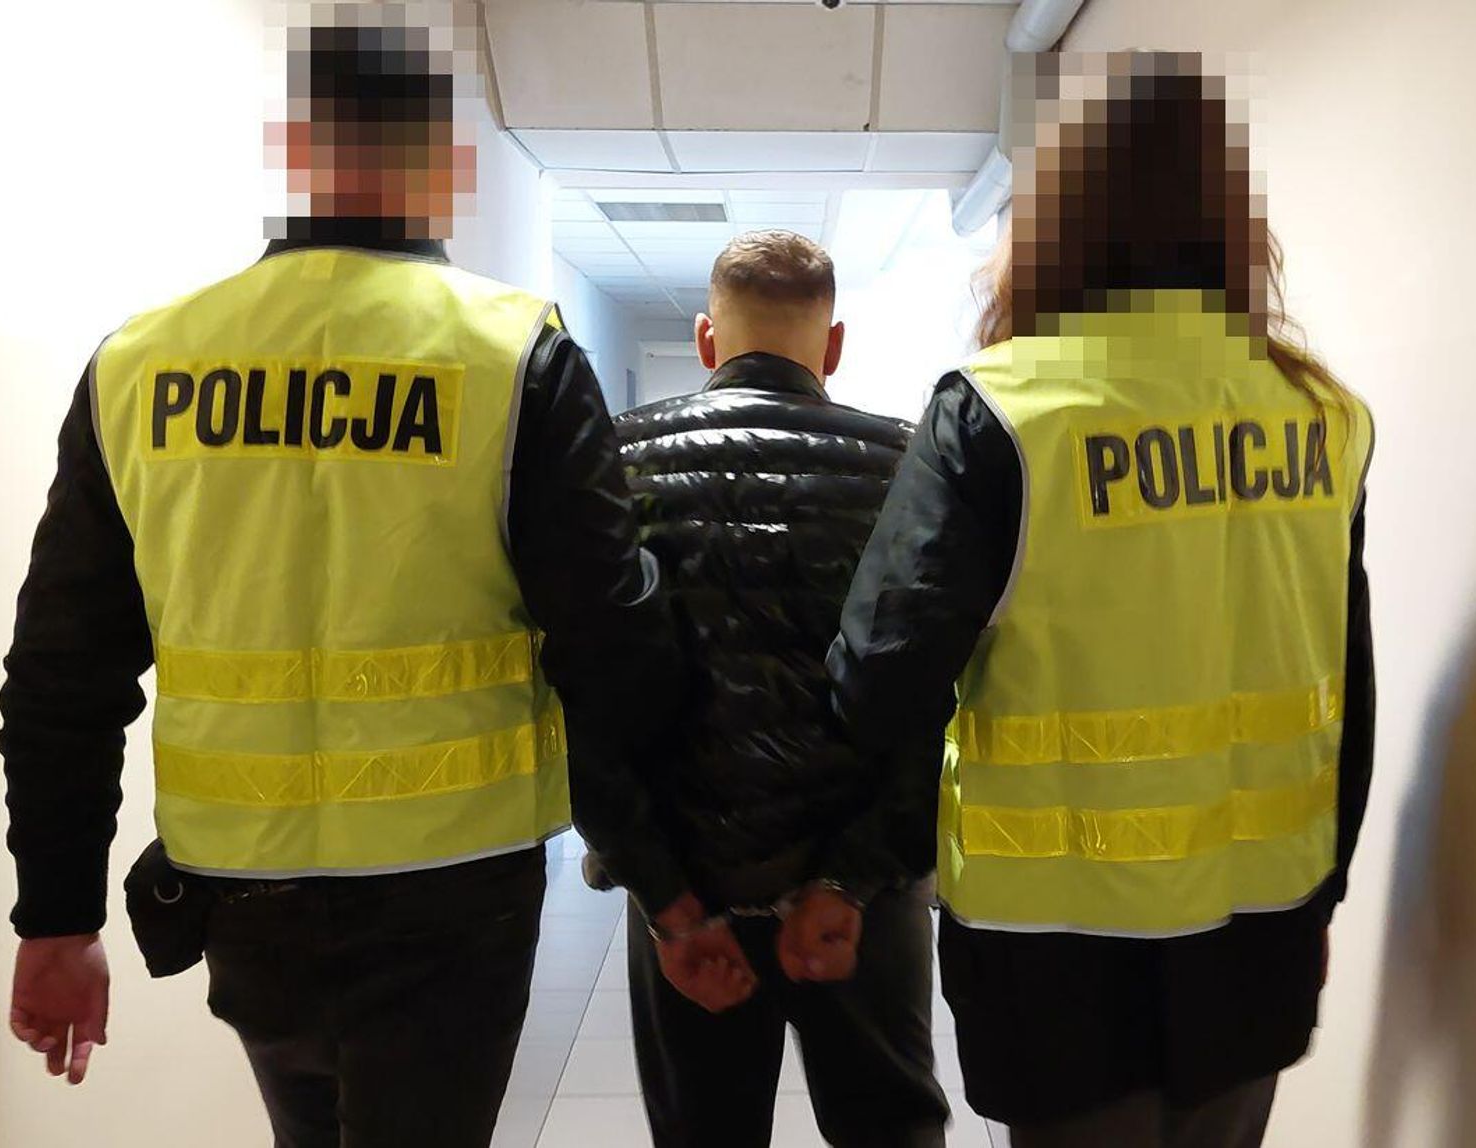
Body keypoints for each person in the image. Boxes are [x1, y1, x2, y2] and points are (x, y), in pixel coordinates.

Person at [0, 16, 682, 1148]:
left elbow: (61, 670)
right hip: (455, 886)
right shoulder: (512, 354)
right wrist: (666, 865)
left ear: (291, 152)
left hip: (243, 892)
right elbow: (610, 642)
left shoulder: (141, 362)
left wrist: (56, 914)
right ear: (443, 166)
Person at [828, 52, 1375, 1148]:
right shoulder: (1320, 413)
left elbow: (878, 682)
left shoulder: (1001, 410)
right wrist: (1325, 891)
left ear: (1055, 220)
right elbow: (1348, 683)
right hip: (1259, 926)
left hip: (1056, 953)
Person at [579, 230, 950, 1147]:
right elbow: (929, 699)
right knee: (889, 1132)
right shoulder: (907, 465)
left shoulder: (616, 461)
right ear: (834, 346)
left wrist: (666, 898)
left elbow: (588, 704)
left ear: (708, 340)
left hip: (689, 895)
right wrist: (852, 880)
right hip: (859, 906)